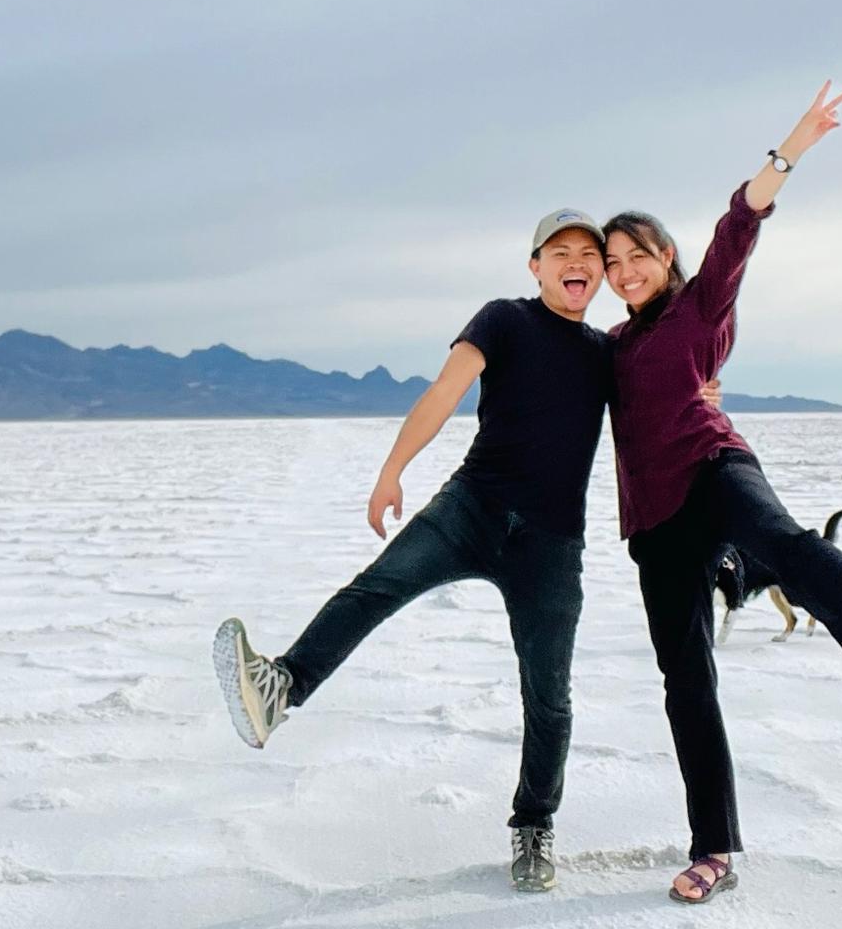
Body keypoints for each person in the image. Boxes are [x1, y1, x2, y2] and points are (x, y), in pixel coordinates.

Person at [213, 208, 723, 893]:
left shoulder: (607, 352)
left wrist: (701, 391)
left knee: (549, 697)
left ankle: (534, 828)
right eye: (559, 250)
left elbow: (664, 389)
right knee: (375, 590)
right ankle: (281, 687)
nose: (577, 260)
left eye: (589, 253)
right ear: (535, 265)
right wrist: (393, 468)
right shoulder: (502, 319)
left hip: (550, 542)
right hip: (472, 508)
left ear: (602, 273)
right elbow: (444, 391)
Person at [601, 82, 842, 908]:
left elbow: (738, 228)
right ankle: (714, 847)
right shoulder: (608, 345)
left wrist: (787, 150)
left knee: (786, 544)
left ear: (665, 256)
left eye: (635, 255)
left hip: (714, 466)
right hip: (653, 520)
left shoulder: (698, 303)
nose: (623, 272)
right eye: (612, 263)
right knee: (687, 680)